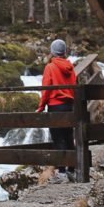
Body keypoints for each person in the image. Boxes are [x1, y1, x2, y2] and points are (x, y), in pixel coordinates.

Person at [36, 38, 76, 175]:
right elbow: (74, 86)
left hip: (55, 106)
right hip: (69, 105)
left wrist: (41, 106)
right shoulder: (70, 67)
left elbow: (46, 88)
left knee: (58, 138)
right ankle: (72, 169)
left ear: (52, 52)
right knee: (69, 136)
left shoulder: (50, 67)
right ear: (64, 52)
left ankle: (61, 171)